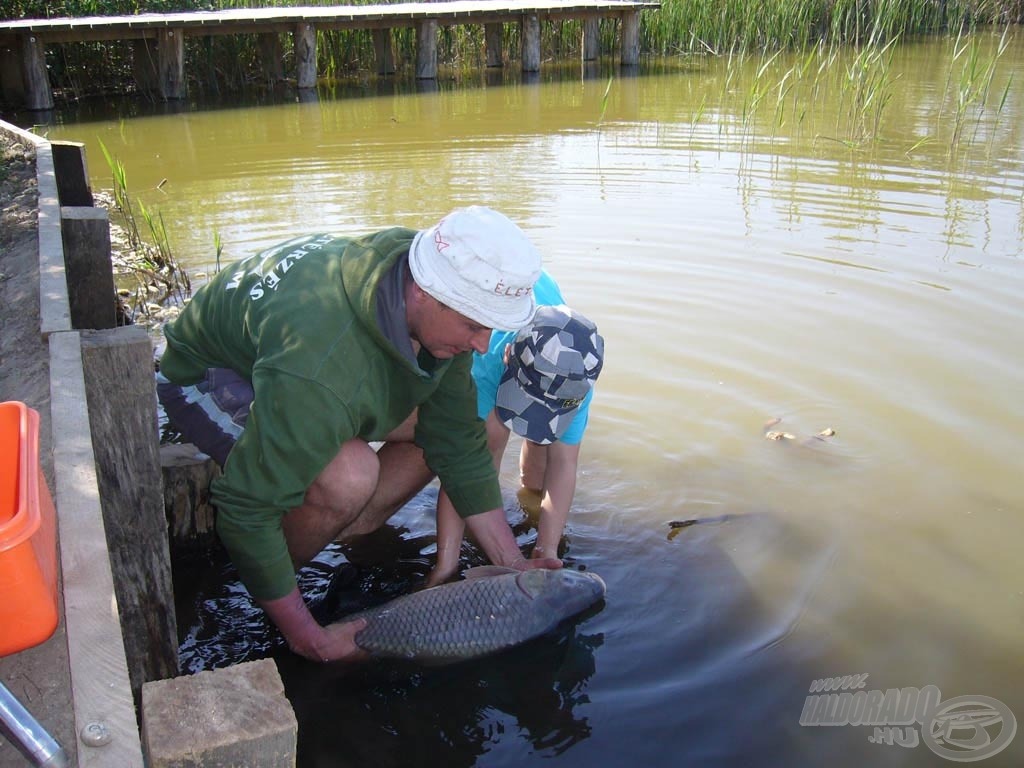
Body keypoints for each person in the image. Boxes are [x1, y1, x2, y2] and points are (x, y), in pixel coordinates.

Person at [156, 205, 561, 663]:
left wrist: (513, 563)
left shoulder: (427, 280)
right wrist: (308, 637)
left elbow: (457, 440)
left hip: (294, 358)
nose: (483, 344)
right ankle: (275, 580)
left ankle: (349, 523)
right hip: (209, 373)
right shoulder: (322, 368)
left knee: (445, 428)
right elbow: (245, 508)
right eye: (473, 325)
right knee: (347, 474)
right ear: (425, 293)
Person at [428, 272, 604, 587]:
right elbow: (464, 465)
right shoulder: (486, 359)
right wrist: (445, 566)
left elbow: (565, 464)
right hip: (505, 329)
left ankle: (529, 498)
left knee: (547, 447)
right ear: (510, 359)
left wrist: (546, 548)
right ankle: (479, 521)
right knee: (490, 438)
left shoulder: (576, 384)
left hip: (549, 348)